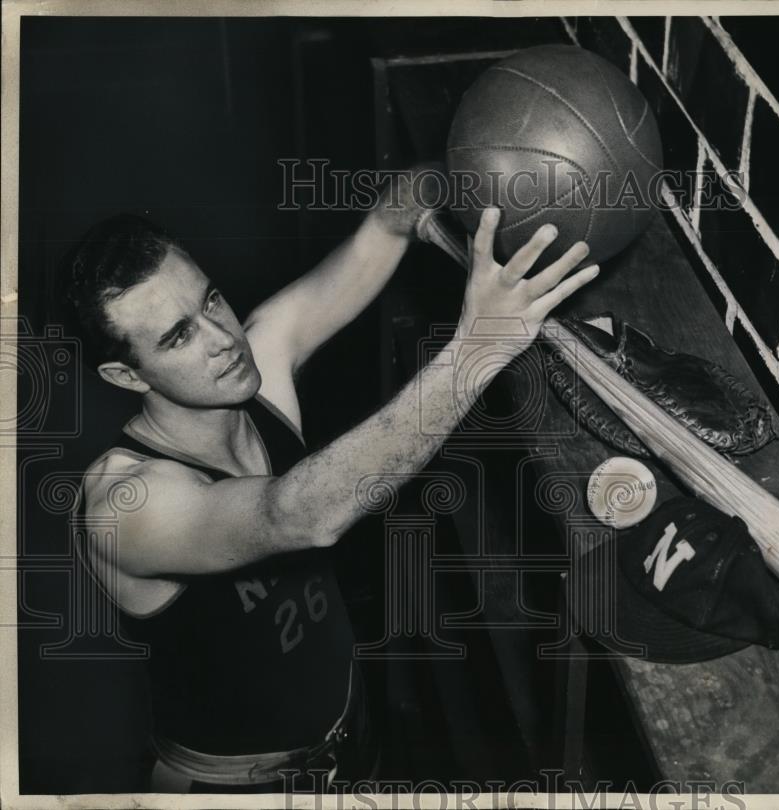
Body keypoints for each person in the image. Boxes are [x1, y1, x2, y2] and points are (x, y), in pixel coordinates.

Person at [59, 178, 598, 794]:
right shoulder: (125, 505)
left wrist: (479, 169)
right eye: (178, 336)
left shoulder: (252, 368)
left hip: (354, 741)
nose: (222, 339)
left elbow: (388, 222)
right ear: (125, 375)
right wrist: (477, 349)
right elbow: (297, 515)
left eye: (211, 302)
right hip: (239, 792)